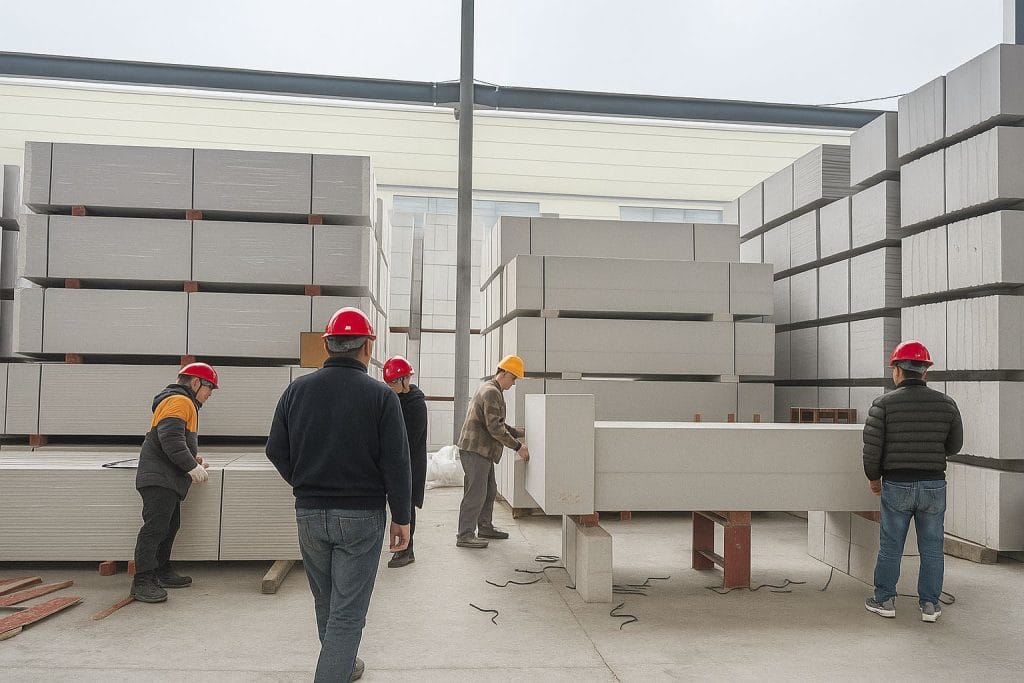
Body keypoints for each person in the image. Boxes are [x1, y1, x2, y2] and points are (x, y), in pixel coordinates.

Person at [266, 307, 411, 682]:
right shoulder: (381, 396)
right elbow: (397, 462)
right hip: (361, 516)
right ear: (367, 348)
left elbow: (274, 450)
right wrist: (402, 516)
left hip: (310, 515)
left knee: (327, 601)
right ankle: (335, 669)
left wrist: (304, 483)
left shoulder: (296, 391)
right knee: (347, 612)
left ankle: (343, 664)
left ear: (328, 346)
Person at [862, 340, 963, 623]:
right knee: (932, 547)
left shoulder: (883, 404)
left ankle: (885, 600)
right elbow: (954, 445)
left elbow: (872, 448)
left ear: (897, 370)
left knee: (891, 545)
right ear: (924, 372)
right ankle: (930, 605)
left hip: (897, 484)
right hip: (933, 486)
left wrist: (873, 477)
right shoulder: (947, 404)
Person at [131, 362, 219, 604]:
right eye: (209, 387)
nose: (210, 394)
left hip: (165, 478)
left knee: (170, 526)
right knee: (155, 529)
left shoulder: (178, 401)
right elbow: (169, 437)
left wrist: (193, 459)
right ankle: (143, 580)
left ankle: (161, 570)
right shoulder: (180, 401)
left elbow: (170, 440)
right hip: (159, 478)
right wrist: (190, 466)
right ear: (195, 382)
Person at [455, 354, 530, 549]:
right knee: (476, 493)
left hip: (481, 450)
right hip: (475, 449)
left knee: (489, 490)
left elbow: (497, 422)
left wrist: (519, 432)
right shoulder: (491, 392)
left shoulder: (491, 389)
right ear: (504, 373)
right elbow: (495, 428)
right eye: (513, 378)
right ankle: (465, 534)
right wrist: (518, 446)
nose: (513, 384)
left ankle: (485, 527)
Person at [382, 355, 427, 569]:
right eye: (388, 383)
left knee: (406, 506)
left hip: (410, 463)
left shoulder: (416, 404)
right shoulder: (392, 399)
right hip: (393, 460)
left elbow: (408, 439)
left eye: (393, 383)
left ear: (404, 381)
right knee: (397, 504)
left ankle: (406, 551)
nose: (389, 387)